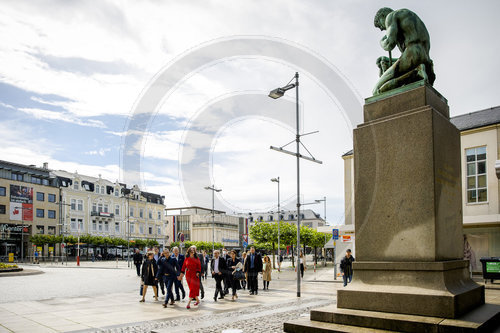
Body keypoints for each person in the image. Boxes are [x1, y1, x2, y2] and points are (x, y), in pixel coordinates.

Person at [372, 7, 435, 95]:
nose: (383, 29)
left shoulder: (391, 16)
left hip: (413, 55)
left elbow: (389, 44)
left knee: (376, 91)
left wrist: (382, 42)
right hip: (425, 59)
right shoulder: (409, 17)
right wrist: (388, 61)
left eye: (380, 25)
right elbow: (406, 59)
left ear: (382, 16)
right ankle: (417, 71)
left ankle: (416, 72)